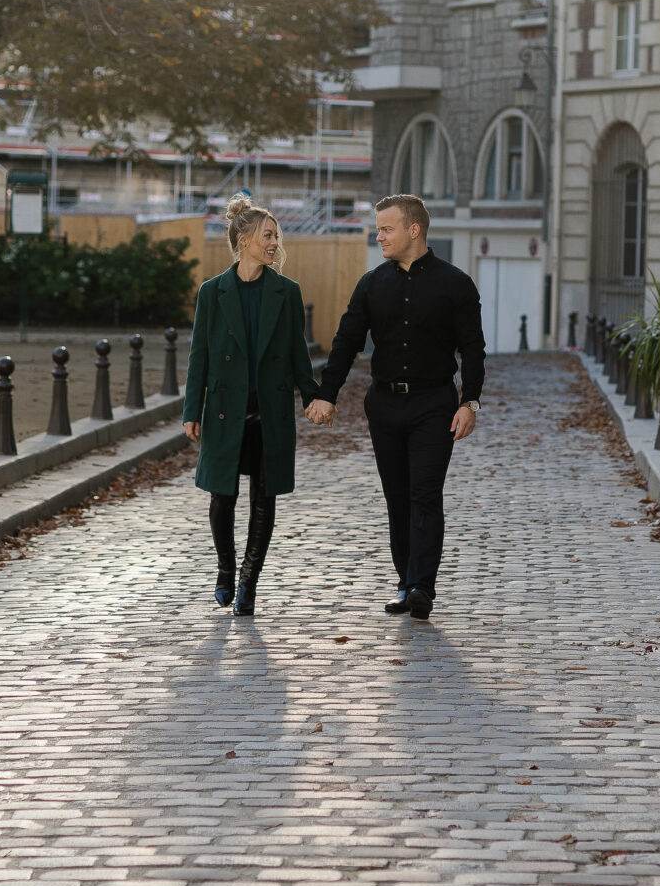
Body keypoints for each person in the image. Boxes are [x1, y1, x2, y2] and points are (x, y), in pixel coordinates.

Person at [307, 193, 484, 619]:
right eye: (378, 228)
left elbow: (473, 348)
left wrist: (470, 401)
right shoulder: (371, 284)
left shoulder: (455, 284)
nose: (379, 236)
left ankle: (422, 585)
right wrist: (326, 394)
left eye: (387, 228)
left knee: (425, 494)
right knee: (397, 497)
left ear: (414, 230)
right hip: (384, 405)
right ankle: (405, 580)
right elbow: (347, 342)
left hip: (434, 405)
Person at [183, 193, 324, 618]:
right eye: (267, 235)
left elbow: (299, 356)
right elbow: (199, 355)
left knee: (265, 498)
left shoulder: (287, 292)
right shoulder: (212, 292)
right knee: (221, 497)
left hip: (271, 412)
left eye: (276, 237)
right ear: (243, 239)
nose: (273, 243)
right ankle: (226, 568)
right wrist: (192, 409)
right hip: (225, 410)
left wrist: (315, 396)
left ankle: (248, 581)